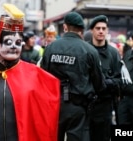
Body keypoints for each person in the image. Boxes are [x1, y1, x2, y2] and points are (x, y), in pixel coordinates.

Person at [0, 4, 60, 141]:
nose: (13, 47)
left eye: (18, 42)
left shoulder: (34, 74)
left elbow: (50, 102)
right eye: (8, 42)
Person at [40, 11, 106, 141]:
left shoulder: (51, 47)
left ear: (65, 27)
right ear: (81, 29)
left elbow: (42, 77)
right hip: (79, 107)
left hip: (54, 105)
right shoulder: (90, 50)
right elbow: (99, 83)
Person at [87, 15, 122, 141]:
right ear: (92, 30)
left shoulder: (113, 53)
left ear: (107, 31)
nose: (101, 31)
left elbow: (119, 79)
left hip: (105, 105)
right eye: (98, 28)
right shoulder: (85, 49)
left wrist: (105, 83)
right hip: (87, 105)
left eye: (103, 28)